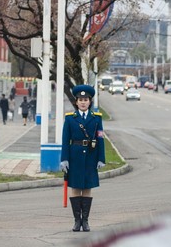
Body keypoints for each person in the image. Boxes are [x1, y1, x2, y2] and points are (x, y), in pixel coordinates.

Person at [59, 85, 106, 232]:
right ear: (76, 102)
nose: (83, 102)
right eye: (80, 100)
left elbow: (100, 138)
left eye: (86, 100)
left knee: (87, 188)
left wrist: (101, 158)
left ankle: (85, 221)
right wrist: (64, 159)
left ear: (90, 102)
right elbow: (65, 140)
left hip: (91, 157)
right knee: (75, 187)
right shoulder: (70, 119)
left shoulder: (96, 119)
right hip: (75, 156)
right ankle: (76, 221)